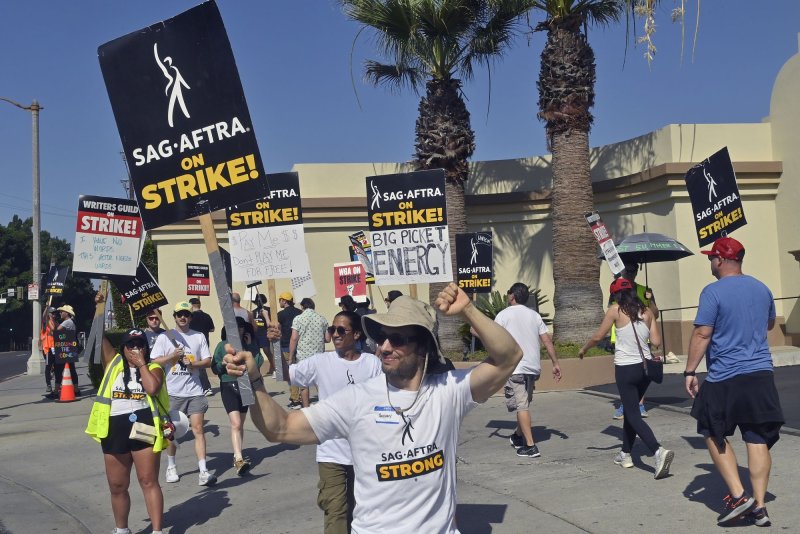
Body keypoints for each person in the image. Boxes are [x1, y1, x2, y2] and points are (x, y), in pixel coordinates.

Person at [222, 283, 523, 533]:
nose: (386, 346)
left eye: (399, 338)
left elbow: (509, 356)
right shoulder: (356, 399)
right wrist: (256, 380)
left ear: (423, 347)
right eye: (381, 336)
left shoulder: (448, 391)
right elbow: (280, 428)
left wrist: (468, 310)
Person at [685, 237, 784, 527]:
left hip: (726, 376)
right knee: (756, 437)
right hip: (761, 375)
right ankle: (760, 506)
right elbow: (768, 325)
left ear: (720, 259)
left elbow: (703, 334)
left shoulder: (712, 292)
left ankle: (740, 496)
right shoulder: (762, 288)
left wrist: (690, 371)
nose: (709, 264)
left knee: (710, 428)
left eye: (710, 258)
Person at [289, 311, 382, 533]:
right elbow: (288, 375)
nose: (335, 334)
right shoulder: (321, 361)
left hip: (365, 453)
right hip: (331, 453)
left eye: (341, 330)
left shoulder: (372, 364)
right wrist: (273, 345)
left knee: (363, 511)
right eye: (332, 330)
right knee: (336, 510)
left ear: (357, 334)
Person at [578, 278, 673, 479]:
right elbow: (656, 342)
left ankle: (658, 451)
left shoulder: (615, 310)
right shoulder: (646, 312)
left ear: (614, 295)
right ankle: (626, 454)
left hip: (626, 369)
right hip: (645, 369)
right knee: (631, 411)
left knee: (632, 414)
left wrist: (584, 349)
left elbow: (598, 336)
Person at [85, 328, 169, 534]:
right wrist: (100, 305)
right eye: (131, 345)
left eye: (140, 344)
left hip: (144, 427)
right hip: (114, 429)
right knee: (117, 485)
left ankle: (157, 531)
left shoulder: (153, 367)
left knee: (148, 481)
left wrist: (141, 365)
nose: (135, 349)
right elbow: (97, 333)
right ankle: (121, 529)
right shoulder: (113, 363)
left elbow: (152, 389)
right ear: (122, 349)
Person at [149, 302, 216, 486]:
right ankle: (171, 466)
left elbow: (208, 361)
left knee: (198, 429)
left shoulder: (198, 336)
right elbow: (154, 362)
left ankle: (203, 470)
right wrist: (172, 357)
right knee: (172, 433)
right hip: (173, 393)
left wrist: (194, 365)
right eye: (179, 314)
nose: (183, 317)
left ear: (190, 317)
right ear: (175, 317)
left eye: (186, 314)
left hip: (195, 392)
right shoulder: (165, 337)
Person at [492, 283, 562, 458]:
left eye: (509, 293)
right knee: (524, 403)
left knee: (521, 405)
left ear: (512, 296)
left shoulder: (503, 315)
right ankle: (517, 436)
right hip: (532, 367)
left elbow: (492, 336)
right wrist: (555, 363)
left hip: (515, 367)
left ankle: (530, 446)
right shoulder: (535, 315)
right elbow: (547, 341)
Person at [211, 316, 263, 476]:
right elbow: (214, 367)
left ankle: (237, 452)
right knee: (235, 423)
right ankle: (239, 459)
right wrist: (223, 365)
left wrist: (251, 345)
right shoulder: (222, 346)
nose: (238, 330)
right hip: (228, 385)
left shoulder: (248, 346)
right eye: (234, 327)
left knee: (240, 423)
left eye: (241, 327)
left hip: (245, 386)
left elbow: (258, 362)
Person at [611, 262, 658, 419]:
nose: (631, 272)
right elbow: (611, 308)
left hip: (641, 334)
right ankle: (626, 404)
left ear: (637, 271)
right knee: (625, 372)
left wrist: (649, 300)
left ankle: (639, 404)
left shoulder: (645, 290)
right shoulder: (616, 287)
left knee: (641, 368)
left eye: (633, 270)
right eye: (628, 270)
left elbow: (655, 314)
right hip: (622, 335)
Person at [289, 298, 328, 408]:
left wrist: (291, 357)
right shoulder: (322, 319)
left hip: (303, 356)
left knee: (303, 384)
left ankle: (306, 408)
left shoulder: (298, 319)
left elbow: (294, 338)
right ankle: (324, 405)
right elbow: (328, 339)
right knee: (319, 382)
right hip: (319, 356)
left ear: (302, 307)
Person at [277, 291, 303, 407]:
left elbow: (276, 328)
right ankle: (298, 396)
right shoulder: (299, 312)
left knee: (292, 372)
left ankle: (296, 399)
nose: (279, 302)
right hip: (299, 345)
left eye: (280, 300)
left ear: (284, 301)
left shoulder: (281, 315)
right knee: (299, 372)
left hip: (286, 345)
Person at [189, 297, 216, 397]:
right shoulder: (207, 316)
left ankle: (206, 387)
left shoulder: (190, 317)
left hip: (193, 344)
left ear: (191, 305)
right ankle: (202, 386)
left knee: (198, 366)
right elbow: (212, 329)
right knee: (200, 365)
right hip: (205, 342)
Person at [54, 304, 80, 397]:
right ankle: (76, 390)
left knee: (59, 369)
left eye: (62, 312)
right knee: (71, 369)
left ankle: (56, 391)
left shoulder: (67, 322)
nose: (60, 313)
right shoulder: (70, 322)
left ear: (67, 313)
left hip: (65, 349)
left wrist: (52, 321)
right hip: (68, 349)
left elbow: (57, 330)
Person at [252, 293, 276, 376]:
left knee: (267, 351)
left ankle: (273, 367)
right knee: (256, 353)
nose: (258, 302)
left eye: (260, 300)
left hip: (264, 333)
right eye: (257, 300)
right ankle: (257, 370)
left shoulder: (268, 310)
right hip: (256, 335)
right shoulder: (253, 311)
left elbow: (271, 321)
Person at [40, 306, 56, 395]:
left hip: (55, 348)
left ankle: (57, 383)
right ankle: (48, 385)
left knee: (56, 366)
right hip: (47, 349)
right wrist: (46, 308)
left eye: (54, 313)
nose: (54, 315)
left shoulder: (55, 322)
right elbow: (43, 317)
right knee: (48, 367)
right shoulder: (45, 323)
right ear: (49, 314)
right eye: (52, 313)